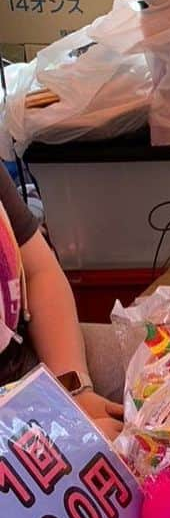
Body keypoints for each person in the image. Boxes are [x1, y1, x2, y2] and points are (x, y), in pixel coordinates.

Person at [0, 164, 122, 439]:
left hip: (21, 362)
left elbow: (39, 273)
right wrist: (60, 437)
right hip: (11, 430)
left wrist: (74, 391)